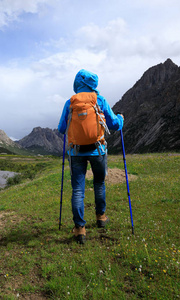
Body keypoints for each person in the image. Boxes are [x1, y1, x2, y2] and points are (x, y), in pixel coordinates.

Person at [58, 69, 124, 244]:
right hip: (98, 150)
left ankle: (80, 228)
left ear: (77, 83)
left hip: (76, 152)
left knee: (78, 190)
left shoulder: (70, 103)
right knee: (99, 183)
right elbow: (114, 124)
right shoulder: (99, 100)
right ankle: (101, 218)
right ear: (93, 84)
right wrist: (121, 118)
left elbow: (61, 129)